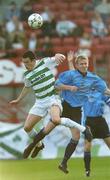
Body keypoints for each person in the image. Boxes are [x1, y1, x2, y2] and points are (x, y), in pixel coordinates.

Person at [10, 51, 92, 159]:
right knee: (27, 127)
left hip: (53, 98)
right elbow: (27, 87)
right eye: (24, 62)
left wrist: (59, 55)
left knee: (56, 120)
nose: (25, 65)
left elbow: (59, 57)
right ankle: (39, 145)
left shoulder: (44, 62)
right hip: (40, 102)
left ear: (34, 61)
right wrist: (18, 99)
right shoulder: (27, 74)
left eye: (27, 62)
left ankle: (83, 129)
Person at [54, 52, 110, 174]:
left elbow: (106, 92)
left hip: (99, 120)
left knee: (83, 138)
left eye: (86, 63)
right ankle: (87, 170)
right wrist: (70, 62)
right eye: (82, 64)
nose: (84, 65)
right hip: (86, 119)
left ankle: (64, 163)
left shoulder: (96, 86)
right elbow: (75, 77)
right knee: (86, 143)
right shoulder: (83, 88)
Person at [83, 91, 110, 177]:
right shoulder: (83, 92)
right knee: (87, 146)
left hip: (100, 121)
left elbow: (108, 101)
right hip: (89, 122)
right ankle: (87, 170)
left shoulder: (101, 92)